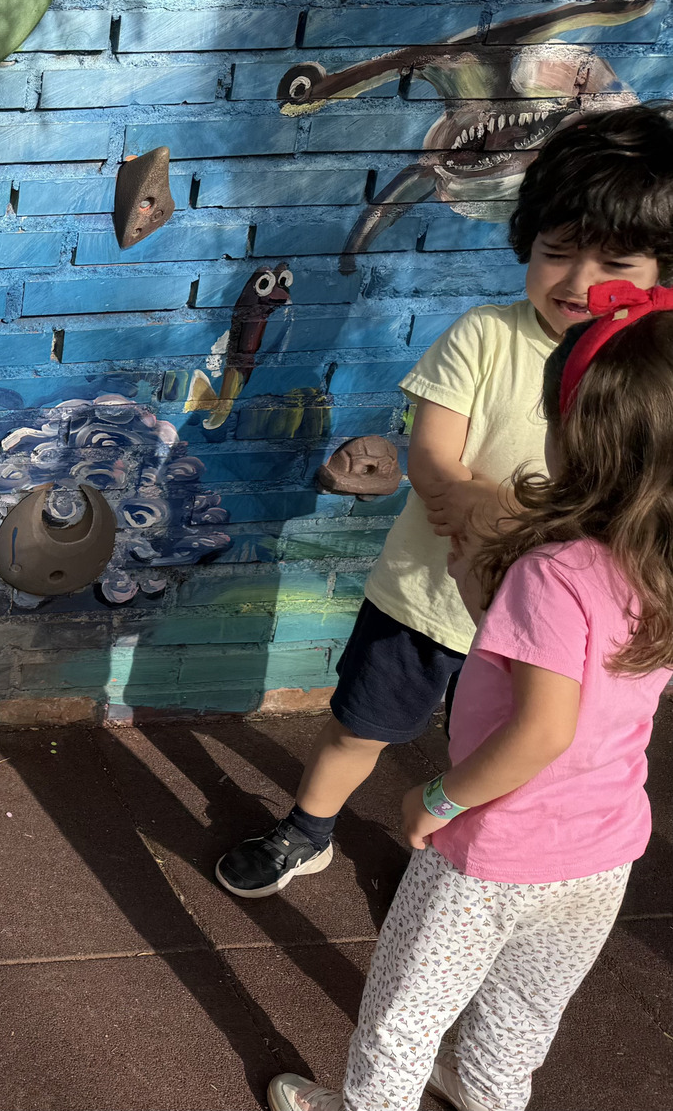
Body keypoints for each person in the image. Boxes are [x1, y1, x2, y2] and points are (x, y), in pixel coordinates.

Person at [215, 104, 673, 898]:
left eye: (615, 263)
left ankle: (449, 855)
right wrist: (487, 515)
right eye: (556, 253)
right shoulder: (486, 335)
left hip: (548, 632)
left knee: (494, 749)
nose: (578, 283)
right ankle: (308, 830)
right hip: (426, 601)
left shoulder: (650, 366)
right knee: (360, 726)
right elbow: (433, 458)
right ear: (526, 244)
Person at [268, 280, 673, 1111]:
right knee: (519, 1023)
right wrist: (489, 595)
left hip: (493, 852)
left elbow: (544, 730)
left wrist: (439, 798)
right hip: (604, 852)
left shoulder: (554, 571)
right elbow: (587, 678)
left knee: (403, 1018)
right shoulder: (655, 563)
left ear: (572, 434)